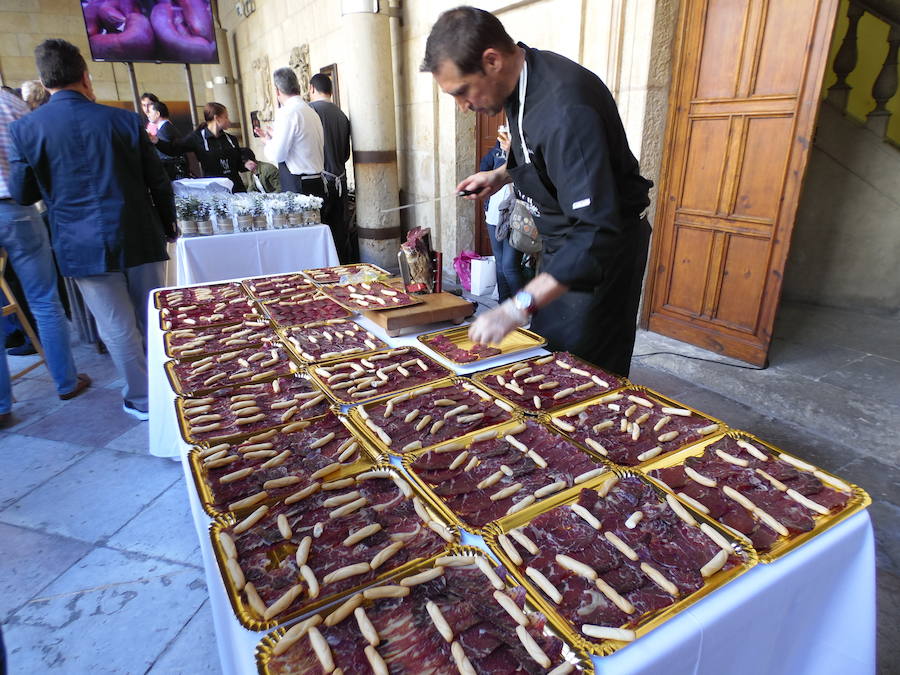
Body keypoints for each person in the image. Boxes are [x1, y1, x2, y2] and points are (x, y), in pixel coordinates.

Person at [422, 7, 652, 377]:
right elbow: (540, 155)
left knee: (583, 373)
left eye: (462, 92)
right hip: (563, 244)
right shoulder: (521, 82)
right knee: (552, 357)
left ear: (492, 60)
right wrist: (500, 175)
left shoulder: (566, 109)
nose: (464, 107)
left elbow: (596, 230)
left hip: (602, 253)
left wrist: (517, 306)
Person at [8, 39, 176, 419]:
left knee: (116, 327)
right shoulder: (125, 120)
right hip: (138, 233)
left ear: (44, 80)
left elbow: (22, 192)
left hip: (79, 243)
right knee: (153, 317)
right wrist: (169, 226)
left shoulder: (26, 130)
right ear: (85, 76)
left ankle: (143, 400)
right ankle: (169, 389)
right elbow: (159, 182)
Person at [0, 87, 91, 426]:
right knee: (43, 300)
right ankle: (66, 381)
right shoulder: (11, 104)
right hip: (16, 207)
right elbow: (35, 160)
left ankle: (1, 404)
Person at [152, 102, 246, 192]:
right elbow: (174, 149)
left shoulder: (231, 139)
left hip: (236, 187)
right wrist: (157, 141)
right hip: (214, 191)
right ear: (217, 118)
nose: (228, 120)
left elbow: (239, 163)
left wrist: (247, 163)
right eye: (226, 117)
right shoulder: (197, 137)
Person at [262, 67, 325, 200]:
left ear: (277, 90)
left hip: (299, 186)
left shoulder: (287, 113)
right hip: (316, 182)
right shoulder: (311, 111)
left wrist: (268, 142)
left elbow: (278, 155)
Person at [308, 73, 351, 261]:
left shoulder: (309, 112)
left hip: (321, 182)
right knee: (340, 231)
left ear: (311, 88)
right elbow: (346, 154)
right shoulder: (341, 115)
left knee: (321, 232)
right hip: (340, 179)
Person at [479, 129, 522, 302]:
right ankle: (504, 304)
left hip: (515, 215)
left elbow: (527, 175)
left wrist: (513, 151)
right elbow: (484, 166)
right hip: (494, 214)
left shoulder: (522, 154)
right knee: (499, 262)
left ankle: (525, 308)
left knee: (510, 266)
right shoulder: (496, 151)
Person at [147, 100, 188, 180]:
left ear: (157, 114)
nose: (148, 115)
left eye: (150, 112)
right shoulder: (167, 127)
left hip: (171, 174)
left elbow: (166, 153)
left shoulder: (164, 129)